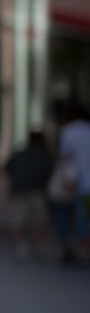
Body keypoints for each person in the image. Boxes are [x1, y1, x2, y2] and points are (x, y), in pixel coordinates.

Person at [4, 130, 53, 262]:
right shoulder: (43, 155)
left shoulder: (20, 153)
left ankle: (21, 248)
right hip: (35, 190)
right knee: (37, 220)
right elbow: (49, 172)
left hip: (19, 189)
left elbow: (7, 167)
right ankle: (36, 247)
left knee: (17, 220)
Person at [59, 101, 90, 266]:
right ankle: (82, 252)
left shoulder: (68, 131)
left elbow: (64, 158)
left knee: (65, 215)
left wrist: (65, 179)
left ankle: (69, 250)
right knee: (84, 218)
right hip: (87, 186)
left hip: (71, 182)